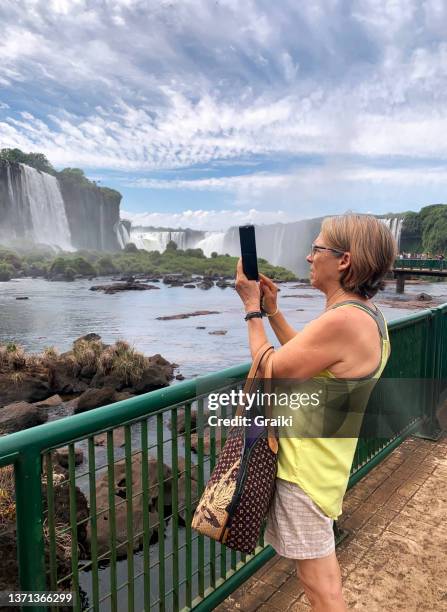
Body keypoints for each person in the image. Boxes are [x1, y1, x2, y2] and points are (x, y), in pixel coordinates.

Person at [235, 214, 396, 611]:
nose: (308, 257)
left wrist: (252, 310)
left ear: (343, 260)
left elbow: (270, 369)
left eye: (316, 249)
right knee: (322, 579)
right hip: (325, 462)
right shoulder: (367, 315)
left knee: (319, 587)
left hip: (305, 470)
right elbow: (307, 359)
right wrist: (273, 312)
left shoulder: (343, 320)